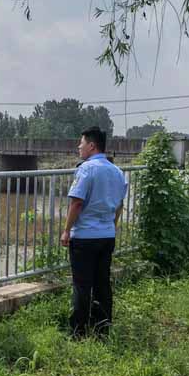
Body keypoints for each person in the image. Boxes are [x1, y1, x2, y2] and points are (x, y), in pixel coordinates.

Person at [60, 126, 127, 337]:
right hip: (107, 235)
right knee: (102, 283)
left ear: (91, 145)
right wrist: (111, 226)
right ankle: (102, 329)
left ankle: (77, 332)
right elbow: (119, 206)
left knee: (81, 285)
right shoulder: (117, 171)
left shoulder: (87, 169)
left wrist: (66, 231)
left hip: (85, 237)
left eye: (81, 143)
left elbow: (76, 203)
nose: (78, 147)